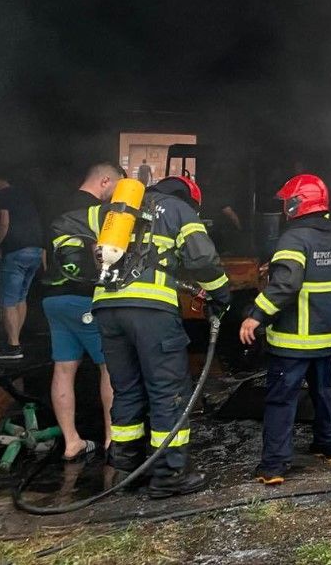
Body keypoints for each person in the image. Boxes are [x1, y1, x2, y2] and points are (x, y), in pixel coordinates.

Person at [93, 175, 231, 498]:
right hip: (151, 314)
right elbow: (203, 259)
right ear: (189, 198)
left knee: (126, 389)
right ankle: (168, 475)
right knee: (167, 390)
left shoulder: (115, 212)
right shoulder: (178, 210)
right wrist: (221, 295)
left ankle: (127, 472)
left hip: (107, 309)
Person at [239, 174, 331, 485]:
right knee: (323, 392)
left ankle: (273, 466)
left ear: (297, 204)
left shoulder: (294, 239)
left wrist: (255, 315)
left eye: (288, 202)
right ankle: (330, 446)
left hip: (294, 340)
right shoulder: (329, 238)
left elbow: (287, 284)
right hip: (324, 337)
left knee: (281, 400)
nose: (285, 207)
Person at [44, 162, 123, 460]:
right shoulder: (96, 213)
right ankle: (111, 439)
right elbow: (101, 254)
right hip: (84, 299)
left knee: (63, 369)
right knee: (109, 366)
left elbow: (44, 254)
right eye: (116, 187)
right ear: (104, 181)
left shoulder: (55, 206)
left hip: (52, 298)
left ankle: (72, 442)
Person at [0, 172, 45, 360]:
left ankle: (13, 346)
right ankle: (15, 340)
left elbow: (3, 222)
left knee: (8, 300)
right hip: (35, 251)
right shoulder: (24, 196)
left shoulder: (3, 195)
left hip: (16, 252)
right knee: (21, 297)